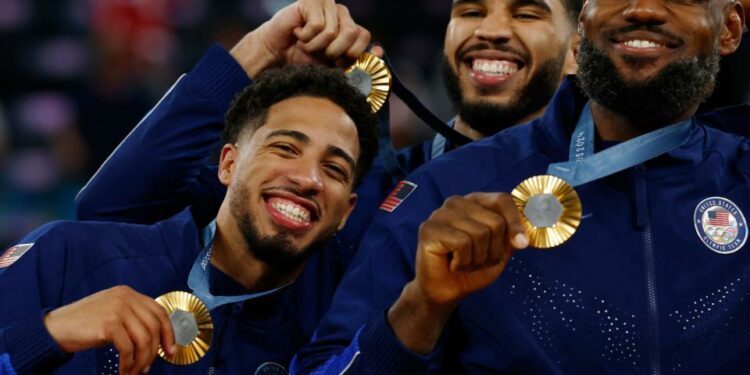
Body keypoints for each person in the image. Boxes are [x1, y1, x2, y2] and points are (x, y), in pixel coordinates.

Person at [292, 0, 750, 373]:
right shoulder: (446, 190)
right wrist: (421, 309)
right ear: (582, 26)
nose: (644, 8)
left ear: (730, 28)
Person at [0, 65, 378, 375]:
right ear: (228, 164)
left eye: (334, 169)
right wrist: (50, 334)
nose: (307, 179)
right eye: (285, 148)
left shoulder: (327, 347)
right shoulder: (69, 255)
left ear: (346, 212)